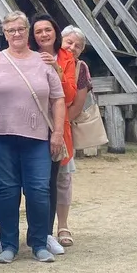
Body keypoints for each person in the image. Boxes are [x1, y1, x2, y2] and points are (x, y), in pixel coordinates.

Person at [0, 10, 67, 263]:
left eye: (20, 29)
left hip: (36, 136)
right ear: (4, 34)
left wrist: (58, 132)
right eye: (10, 30)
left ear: (27, 31)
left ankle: (39, 243)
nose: (16, 34)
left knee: (39, 190)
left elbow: (58, 98)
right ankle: (9, 244)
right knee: (6, 191)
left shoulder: (44, 61)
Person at [30, 13, 76, 256]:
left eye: (48, 30)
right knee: (25, 183)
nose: (44, 35)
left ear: (56, 32)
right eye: (38, 31)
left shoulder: (68, 58)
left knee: (49, 181)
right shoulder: (26, 54)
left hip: (55, 125)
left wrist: (56, 68)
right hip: (29, 123)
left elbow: (68, 96)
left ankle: (46, 233)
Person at [56, 26, 91, 247]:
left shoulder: (80, 68)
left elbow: (78, 104)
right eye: (68, 42)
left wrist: (59, 124)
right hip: (38, 126)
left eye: (78, 45)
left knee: (63, 179)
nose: (72, 48)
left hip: (64, 127)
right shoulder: (46, 59)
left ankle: (63, 225)